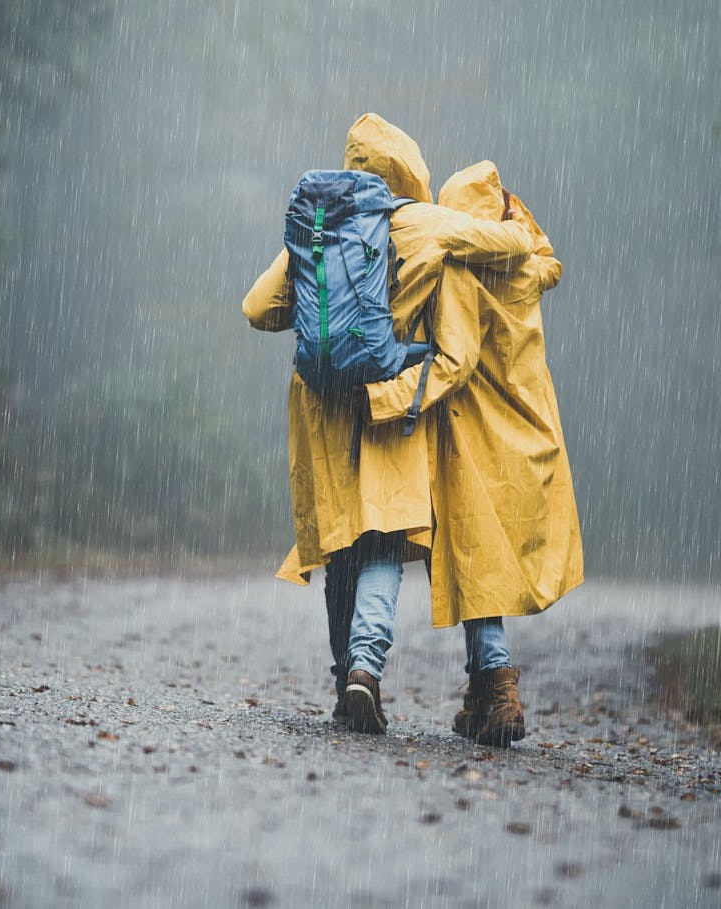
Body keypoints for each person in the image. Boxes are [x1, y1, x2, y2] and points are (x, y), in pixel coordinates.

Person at [243, 114, 536, 734]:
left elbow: (258, 309)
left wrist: (322, 328)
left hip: (323, 411)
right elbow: (513, 250)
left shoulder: (319, 229)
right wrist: (511, 222)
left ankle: (344, 675)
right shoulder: (426, 224)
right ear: (409, 169)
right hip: (390, 409)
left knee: (341, 546)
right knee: (383, 540)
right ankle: (368, 670)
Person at [364, 160, 583, 746]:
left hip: (475, 433)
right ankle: (484, 696)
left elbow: (454, 364)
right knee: (487, 564)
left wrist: (386, 399)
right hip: (530, 429)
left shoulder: (463, 273)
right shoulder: (525, 271)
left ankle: (495, 686)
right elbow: (541, 254)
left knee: (478, 562)